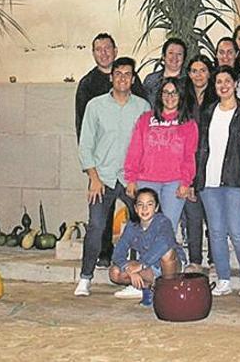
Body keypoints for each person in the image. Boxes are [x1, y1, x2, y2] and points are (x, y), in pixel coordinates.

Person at [75, 57, 150, 298]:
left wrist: (135, 179)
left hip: (131, 179)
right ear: (111, 77)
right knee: (96, 227)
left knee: (140, 228)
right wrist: (93, 177)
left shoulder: (143, 108)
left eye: (128, 74)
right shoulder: (95, 106)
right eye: (118, 74)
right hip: (102, 178)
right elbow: (86, 145)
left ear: (133, 78)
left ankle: (136, 280)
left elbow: (146, 146)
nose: (122, 78)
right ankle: (85, 278)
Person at [195, 65, 240, 297]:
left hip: (236, 180)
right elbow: (200, 148)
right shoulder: (207, 112)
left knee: (238, 231)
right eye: (218, 82)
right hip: (209, 182)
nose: (223, 85)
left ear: (235, 84)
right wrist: (197, 179)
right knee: (216, 232)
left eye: (227, 81)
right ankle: (223, 279)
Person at [124, 77, 198, 234]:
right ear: (160, 95)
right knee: (145, 228)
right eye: (166, 92)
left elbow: (189, 156)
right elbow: (135, 150)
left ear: (181, 96)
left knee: (167, 229)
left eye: (174, 93)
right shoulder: (145, 119)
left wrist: (186, 182)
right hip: (146, 180)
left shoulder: (188, 124)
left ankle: (164, 259)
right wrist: (131, 179)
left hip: (174, 183)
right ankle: (144, 260)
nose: (169, 97)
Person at [109, 188, 186, 306]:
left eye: (149, 204)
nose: (144, 209)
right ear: (135, 208)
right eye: (140, 205)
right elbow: (118, 252)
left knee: (167, 252)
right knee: (115, 272)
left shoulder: (163, 222)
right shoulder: (132, 225)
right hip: (149, 269)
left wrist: (141, 265)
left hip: (168, 266)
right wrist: (129, 270)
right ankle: (146, 288)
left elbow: (165, 243)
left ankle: (168, 290)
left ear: (156, 207)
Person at [183, 55, 217, 273]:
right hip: (188, 163)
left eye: (203, 70)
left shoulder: (218, 97)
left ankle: (215, 260)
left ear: (209, 73)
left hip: (212, 163)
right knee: (193, 217)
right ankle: (195, 260)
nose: (198, 75)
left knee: (213, 218)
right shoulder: (183, 99)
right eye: (194, 71)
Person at [142, 37, 186, 105]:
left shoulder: (190, 81)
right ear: (163, 56)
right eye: (171, 53)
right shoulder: (151, 80)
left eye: (179, 54)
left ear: (184, 58)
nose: (175, 57)